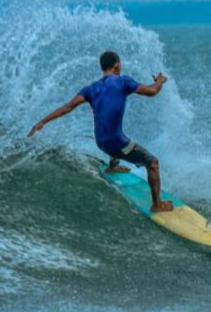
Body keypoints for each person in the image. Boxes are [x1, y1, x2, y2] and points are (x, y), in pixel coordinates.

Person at [28, 50, 174, 212]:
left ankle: (112, 167)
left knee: (115, 135)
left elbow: (67, 107)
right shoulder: (123, 82)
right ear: (117, 66)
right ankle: (157, 205)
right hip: (115, 143)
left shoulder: (91, 89)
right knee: (152, 163)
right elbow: (152, 91)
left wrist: (41, 122)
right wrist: (159, 81)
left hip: (101, 143)